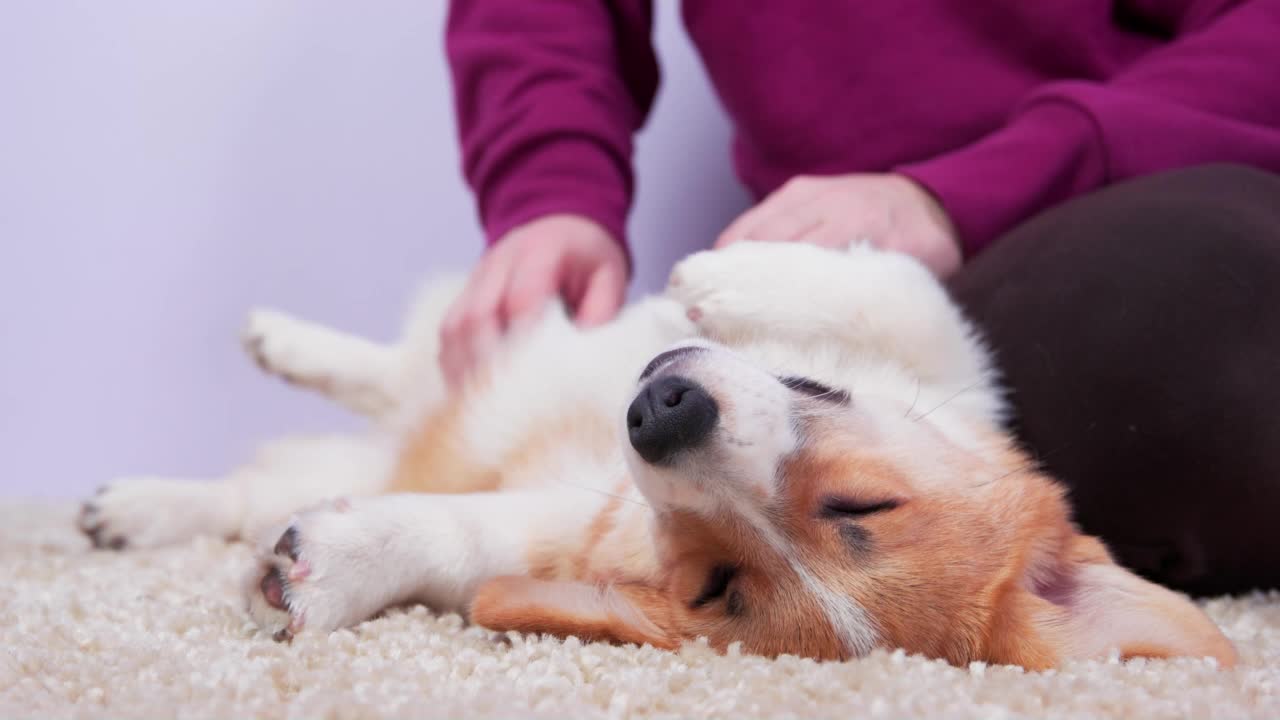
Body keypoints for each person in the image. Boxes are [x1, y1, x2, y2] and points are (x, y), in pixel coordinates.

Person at [441, 1, 1280, 596]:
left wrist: (966, 191)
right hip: (836, 272)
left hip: (1149, 184)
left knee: (1225, 312)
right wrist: (549, 188)